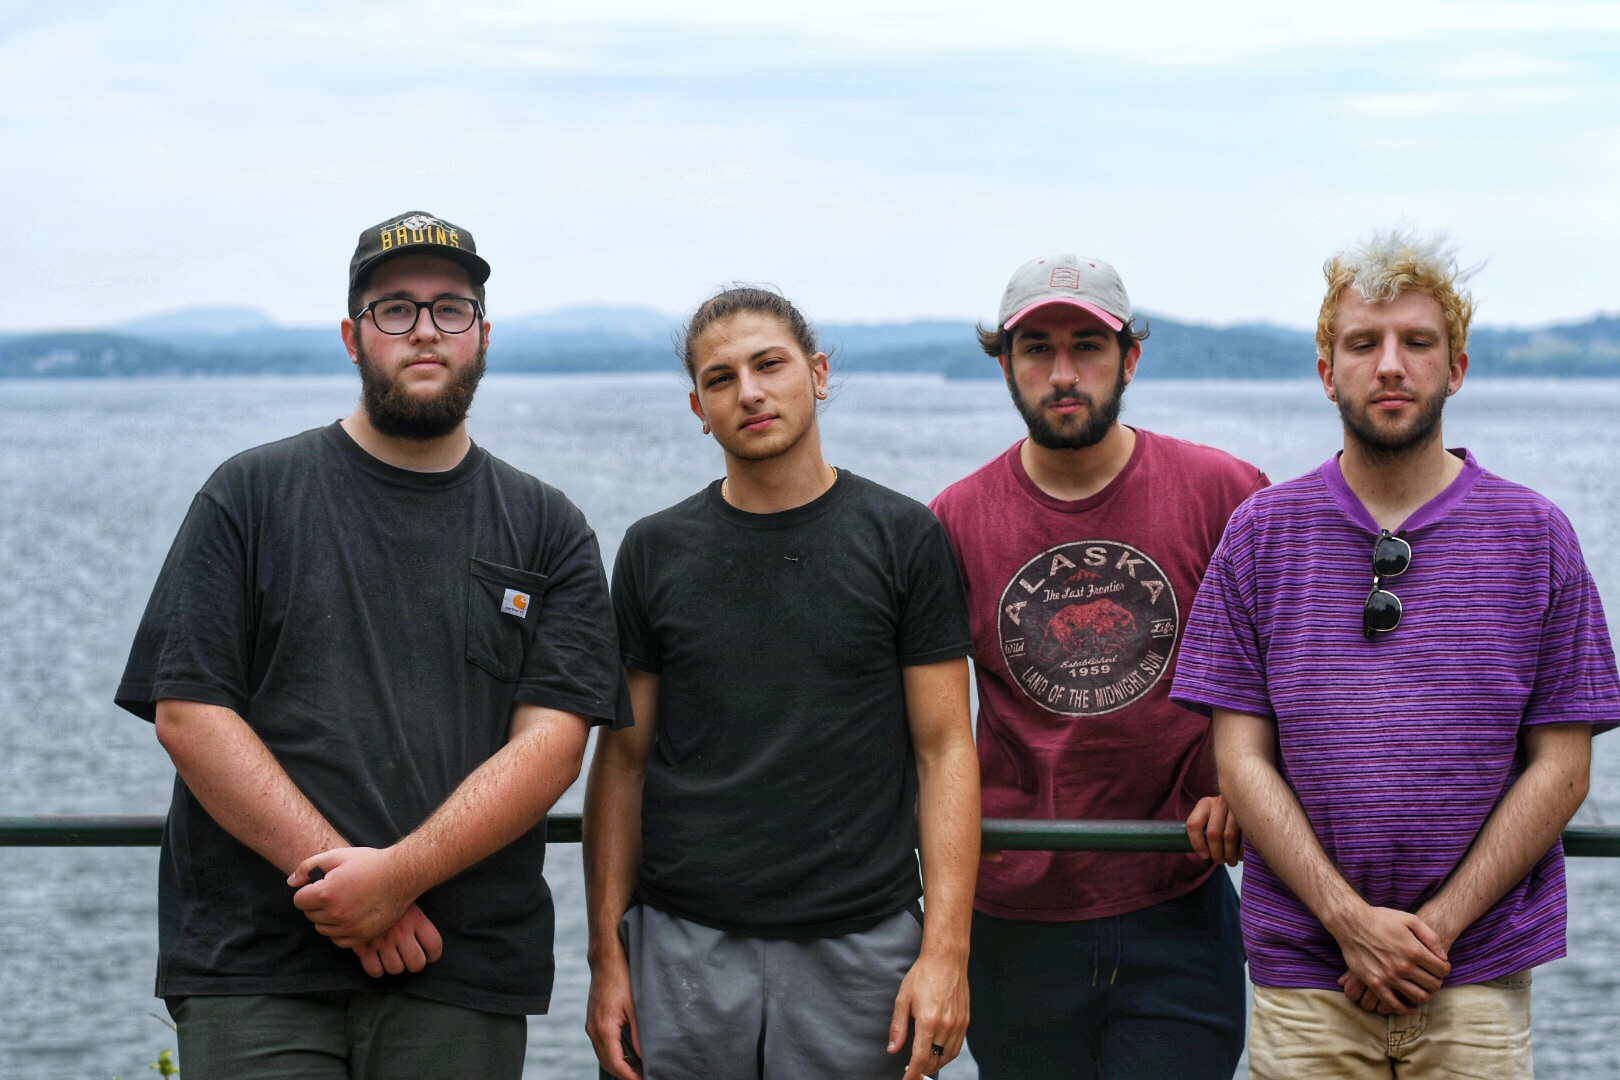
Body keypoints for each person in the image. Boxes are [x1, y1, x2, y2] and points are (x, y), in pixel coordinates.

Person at [115, 211, 625, 1079]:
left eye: (450, 308)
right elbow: (190, 714)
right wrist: (347, 891)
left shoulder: (549, 527)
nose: (425, 330)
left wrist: (397, 878)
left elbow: (552, 746)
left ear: (483, 335)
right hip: (255, 964)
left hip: (459, 968)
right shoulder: (250, 495)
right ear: (353, 337)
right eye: (396, 308)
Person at [1172, 229, 1620, 1077]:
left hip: (1475, 975)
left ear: (1456, 369)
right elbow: (1240, 759)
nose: (1389, 365)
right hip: (1307, 977)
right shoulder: (1262, 534)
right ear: (1326, 371)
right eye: (1362, 344)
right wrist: (1349, 923)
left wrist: (1431, 934)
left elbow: (1563, 769)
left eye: (1416, 342)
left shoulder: (1536, 536)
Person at [582, 287, 980, 1080]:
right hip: (681, 945)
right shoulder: (655, 550)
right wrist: (605, 956)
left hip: (863, 945)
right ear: (698, 408)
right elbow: (621, 764)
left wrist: (946, 953)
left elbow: (946, 752)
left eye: (769, 365)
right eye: (720, 378)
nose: (750, 392)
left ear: (818, 374)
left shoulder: (904, 538)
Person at [927, 253, 1265, 1078]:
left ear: (1130, 358)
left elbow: (1285, 671)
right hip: (1014, 913)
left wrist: (1249, 781)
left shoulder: (1224, 493)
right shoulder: (954, 521)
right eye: (1036, 349)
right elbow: (928, 729)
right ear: (1005, 365)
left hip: (1178, 897)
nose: (1063, 374)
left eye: (1087, 346)